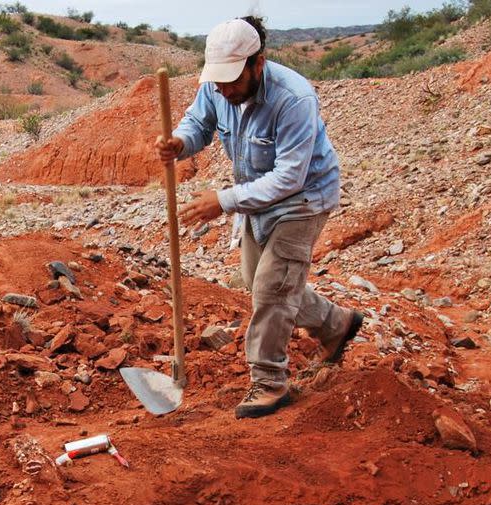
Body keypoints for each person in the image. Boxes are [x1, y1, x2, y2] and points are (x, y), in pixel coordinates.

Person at [154, 16, 363, 419]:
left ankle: (269, 382)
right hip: (257, 199)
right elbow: (199, 122)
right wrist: (180, 142)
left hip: (303, 198)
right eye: (218, 81)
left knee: (271, 288)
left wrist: (224, 200)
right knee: (260, 283)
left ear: (258, 64)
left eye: (232, 80)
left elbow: (289, 176)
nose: (224, 89)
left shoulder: (293, 98)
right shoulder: (218, 87)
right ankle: (335, 324)